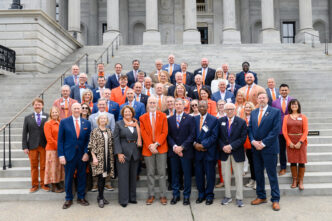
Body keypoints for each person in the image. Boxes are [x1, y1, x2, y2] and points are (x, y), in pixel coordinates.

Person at [248, 92, 281, 211]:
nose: (261, 99)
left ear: (267, 99)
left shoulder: (275, 112)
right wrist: (252, 141)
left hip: (269, 148)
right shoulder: (253, 112)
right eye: (259, 98)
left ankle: (275, 199)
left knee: (272, 175)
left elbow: (275, 130)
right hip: (256, 149)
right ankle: (261, 196)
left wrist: (263, 143)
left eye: (263, 98)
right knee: (258, 174)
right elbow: (250, 128)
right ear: (256, 100)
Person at [58, 103, 91, 209]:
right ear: (71, 110)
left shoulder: (86, 123)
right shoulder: (64, 122)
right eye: (75, 108)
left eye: (78, 108)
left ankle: (81, 197)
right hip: (68, 155)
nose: (77, 110)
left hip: (82, 155)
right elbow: (60, 140)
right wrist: (61, 155)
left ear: (81, 110)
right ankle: (68, 198)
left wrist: (87, 153)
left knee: (82, 176)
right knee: (68, 177)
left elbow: (88, 140)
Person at [140, 96, 169, 205]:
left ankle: (163, 195)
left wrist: (156, 144)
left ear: (157, 104)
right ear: (147, 104)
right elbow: (143, 133)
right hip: (148, 149)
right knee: (150, 173)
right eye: (150, 103)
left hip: (161, 148)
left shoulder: (163, 116)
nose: (152, 104)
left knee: (162, 173)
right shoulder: (142, 117)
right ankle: (151, 195)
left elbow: (164, 132)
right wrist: (150, 146)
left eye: (154, 103)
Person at [167, 98, 195, 205]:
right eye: (176, 104)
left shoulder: (190, 118)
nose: (178, 106)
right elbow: (168, 135)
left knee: (187, 174)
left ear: (184, 106)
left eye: (180, 104)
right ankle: (176, 195)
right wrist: (175, 147)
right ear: (174, 106)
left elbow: (192, 135)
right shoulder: (170, 119)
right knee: (174, 174)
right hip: (173, 152)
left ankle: (186, 196)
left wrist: (182, 147)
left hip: (186, 151)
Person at [219, 103, 247, 207]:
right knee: (226, 175)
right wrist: (223, 147)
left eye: (231, 109)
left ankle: (239, 198)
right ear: (224, 110)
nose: (229, 111)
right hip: (224, 153)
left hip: (236, 152)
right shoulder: (220, 121)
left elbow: (243, 138)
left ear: (234, 110)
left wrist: (230, 146)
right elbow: (218, 137)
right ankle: (227, 196)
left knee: (238, 176)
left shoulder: (241, 122)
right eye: (227, 109)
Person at [114, 106, 142, 207]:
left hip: (135, 153)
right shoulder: (119, 124)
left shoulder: (137, 124)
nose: (127, 113)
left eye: (129, 112)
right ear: (122, 114)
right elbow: (116, 139)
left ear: (132, 113)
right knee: (123, 177)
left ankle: (132, 198)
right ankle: (123, 200)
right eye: (125, 112)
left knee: (133, 177)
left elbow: (140, 137)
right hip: (123, 153)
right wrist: (119, 153)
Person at [22, 98, 49, 193]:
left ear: (42, 105)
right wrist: (25, 146)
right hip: (32, 146)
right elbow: (25, 133)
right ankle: (34, 185)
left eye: (39, 104)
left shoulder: (47, 116)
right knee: (33, 166)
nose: (37, 106)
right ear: (33, 106)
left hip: (43, 145)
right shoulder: (28, 117)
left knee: (43, 166)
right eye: (36, 104)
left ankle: (44, 184)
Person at [194, 100, 218, 205]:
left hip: (209, 152)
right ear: (197, 108)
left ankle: (209, 195)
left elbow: (214, 136)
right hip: (197, 152)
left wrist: (202, 145)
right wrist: (195, 145)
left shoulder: (213, 120)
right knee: (199, 175)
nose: (202, 108)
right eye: (200, 106)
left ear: (207, 107)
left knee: (210, 175)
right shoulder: (193, 119)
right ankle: (201, 194)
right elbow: (190, 134)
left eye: (204, 106)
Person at [88, 114, 115, 208]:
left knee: (104, 178)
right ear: (98, 120)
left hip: (108, 158)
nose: (103, 120)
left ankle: (101, 197)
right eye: (101, 118)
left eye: (105, 118)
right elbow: (91, 145)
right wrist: (94, 157)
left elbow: (111, 145)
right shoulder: (95, 131)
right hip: (99, 159)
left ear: (107, 120)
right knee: (100, 178)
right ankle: (100, 198)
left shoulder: (109, 131)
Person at [282, 99, 308, 190]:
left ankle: (300, 181)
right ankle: (294, 180)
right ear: (290, 106)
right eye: (292, 105)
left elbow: (305, 131)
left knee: (301, 161)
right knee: (293, 161)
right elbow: (284, 131)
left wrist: (300, 142)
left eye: (295, 104)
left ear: (298, 106)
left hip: (301, 141)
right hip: (290, 141)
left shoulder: (303, 117)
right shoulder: (286, 117)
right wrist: (289, 142)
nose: (294, 106)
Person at [272, 84, 293, 176]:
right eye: (282, 90)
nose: (284, 92)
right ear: (279, 91)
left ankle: (293, 167)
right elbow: (273, 116)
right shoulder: (274, 102)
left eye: (285, 90)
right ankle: (283, 167)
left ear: (288, 91)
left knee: (292, 149)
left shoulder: (293, 100)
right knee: (281, 149)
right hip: (279, 129)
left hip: (291, 128)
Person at [44, 106, 65, 193]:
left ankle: (58, 182)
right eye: (53, 112)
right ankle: (53, 185)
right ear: (50, 114)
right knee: (53, 167)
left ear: (58, 113)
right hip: (52, 149)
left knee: (59, 167)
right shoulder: (48, 124)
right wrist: (59, 147)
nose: (55, 114)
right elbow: (49, 139)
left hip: (60, 149)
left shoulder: (61, 122)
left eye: (56, 112)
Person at [242, 101, 256, 189]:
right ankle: (252, 179)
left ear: (252, 108)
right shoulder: (242, 118)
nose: (247, 109)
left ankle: (257, 181)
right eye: (246, 107)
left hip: (254, 143)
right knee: (251, 162)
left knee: (256, 163)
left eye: (249, 107)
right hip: (246, 144)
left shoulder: (255, 117)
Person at [215, 99, 226, 188]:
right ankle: (222, 180)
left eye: (222, 104)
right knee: (219, 163)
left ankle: (226, 180)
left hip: (227, 144)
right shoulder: (214, 117)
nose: (221, 106)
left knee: (227, 164)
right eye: (219, 104)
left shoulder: (229, 116)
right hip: (217, 144)